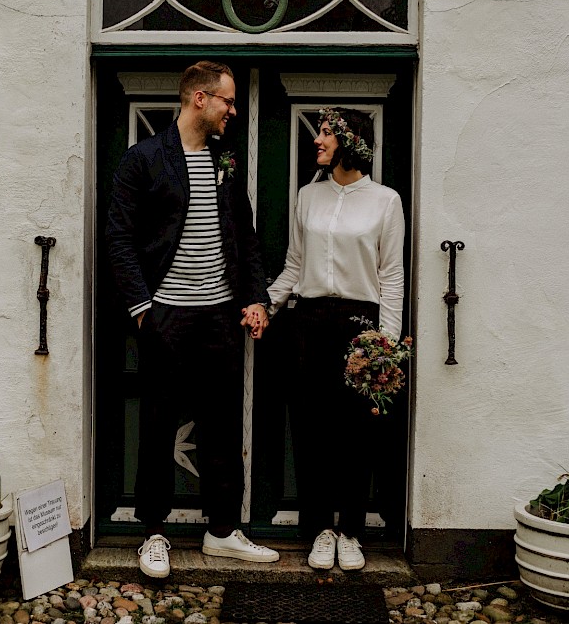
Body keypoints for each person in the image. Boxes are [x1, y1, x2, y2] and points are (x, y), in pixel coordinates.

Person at [105, 60, 278, 579]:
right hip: (167, 319)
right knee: (157, 424)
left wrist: (255, 297)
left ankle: (222, 532)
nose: (233, 108)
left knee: (223, 428)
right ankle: (153, 532)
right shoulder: (144, 159)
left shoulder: (225, 160)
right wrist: (142, 308)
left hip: (220, 320)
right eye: (227, 100)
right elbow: (119, 238)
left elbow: (244, 236)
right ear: (199, 99)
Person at [267, 107, 405, 572]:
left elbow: (391, 277)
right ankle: (319, 530)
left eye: (326, 133)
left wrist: (385, 346)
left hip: (359, 326)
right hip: (307, 322)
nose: (317, 140)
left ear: (350, 142)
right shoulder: (308, 196)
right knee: (311, 431)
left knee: (356, 433)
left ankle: (351, 530)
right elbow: (293, 263)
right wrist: (263, 305)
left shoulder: (386, 201)